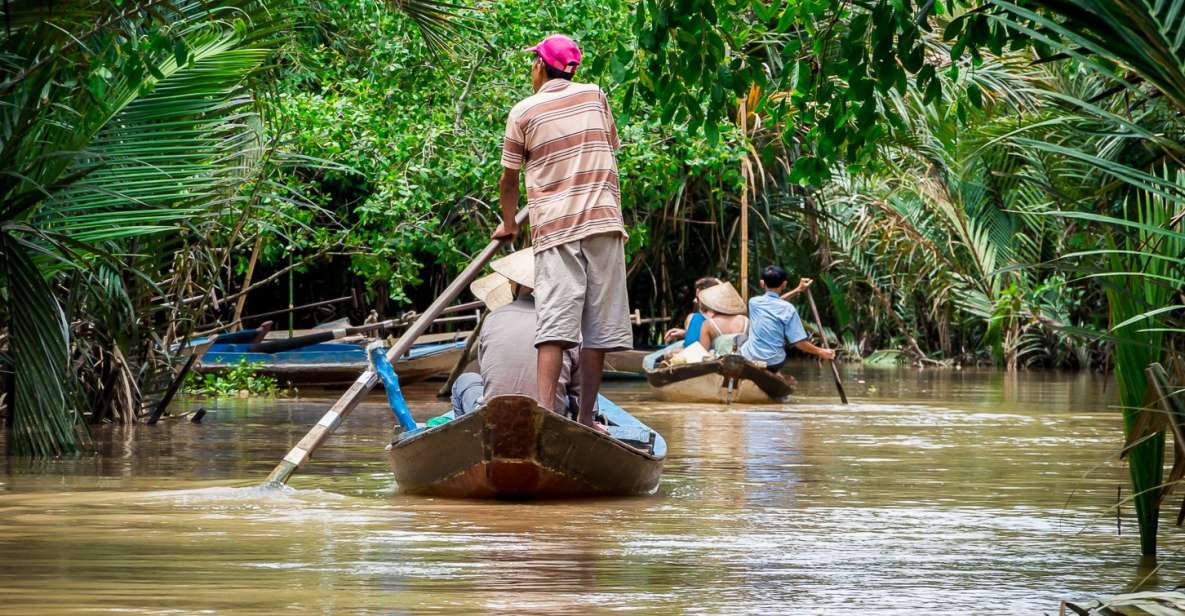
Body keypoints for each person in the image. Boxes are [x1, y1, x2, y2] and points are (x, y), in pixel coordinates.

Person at [492, 34, 630, 428]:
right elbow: (606, 146)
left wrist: (506, 224)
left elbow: (509, 181)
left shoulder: (523, 111)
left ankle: (545, 415)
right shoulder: (595, 96)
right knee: (597, 328)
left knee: (553, 325)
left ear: (539, 67)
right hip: (604, 221)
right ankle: (585, 417)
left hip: (556, 227)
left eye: (532, 63)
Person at [449, 249, 580, 417]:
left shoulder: (493, 319)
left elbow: (488, 373)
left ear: (515, 284)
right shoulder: (567, 320)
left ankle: (470, 439)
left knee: (465, 381)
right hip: (550, 419)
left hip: (495, 418)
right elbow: (579, 392)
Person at [739, 265, 835, 375]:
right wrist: (821, 351)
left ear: (762, 283)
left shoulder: (753, 302)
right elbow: (799, 343)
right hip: (774, 362)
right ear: (784, 284)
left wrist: (798, 290)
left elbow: (773, 303)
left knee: (739, 339)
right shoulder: (789, 309)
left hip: (749, 357)